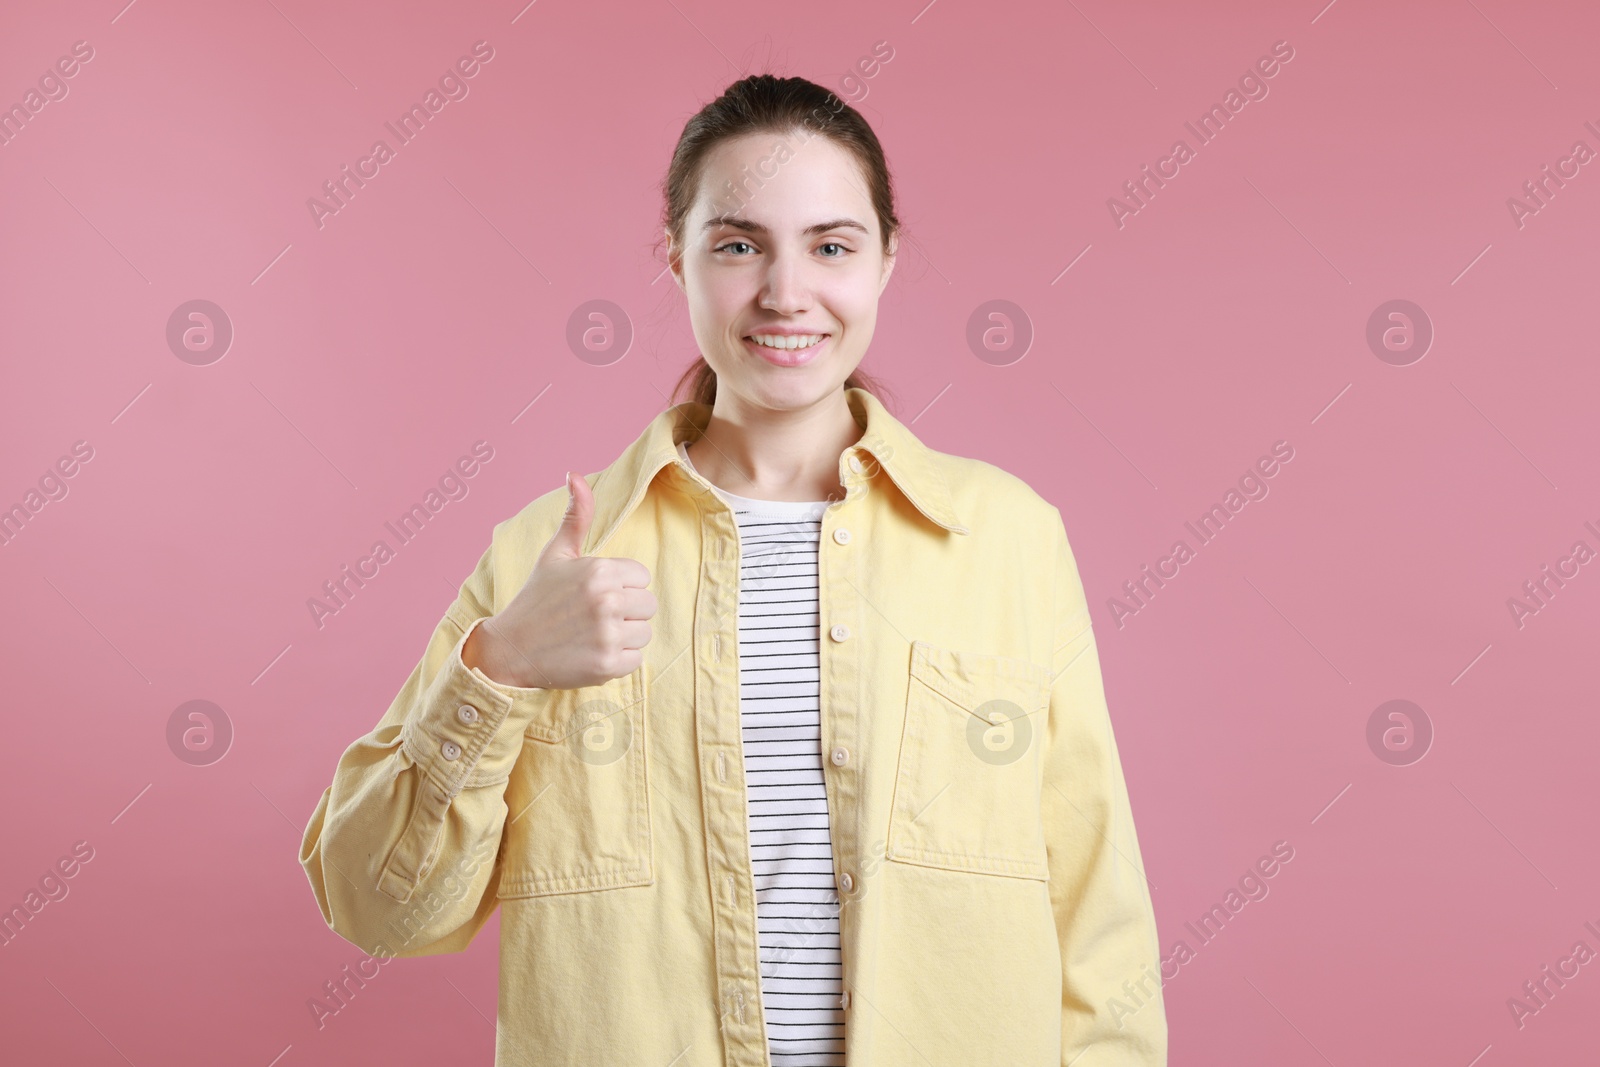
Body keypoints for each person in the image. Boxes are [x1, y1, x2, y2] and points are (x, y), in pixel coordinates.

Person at [299, 73, 1168, 1066]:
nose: (785, 292)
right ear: (677, 259)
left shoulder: (1006, 537)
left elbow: (1098, 910)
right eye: (738, 244)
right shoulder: (550, 554)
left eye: (831, 246)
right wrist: (496, 667)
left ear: (885, 259)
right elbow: (381, 911)